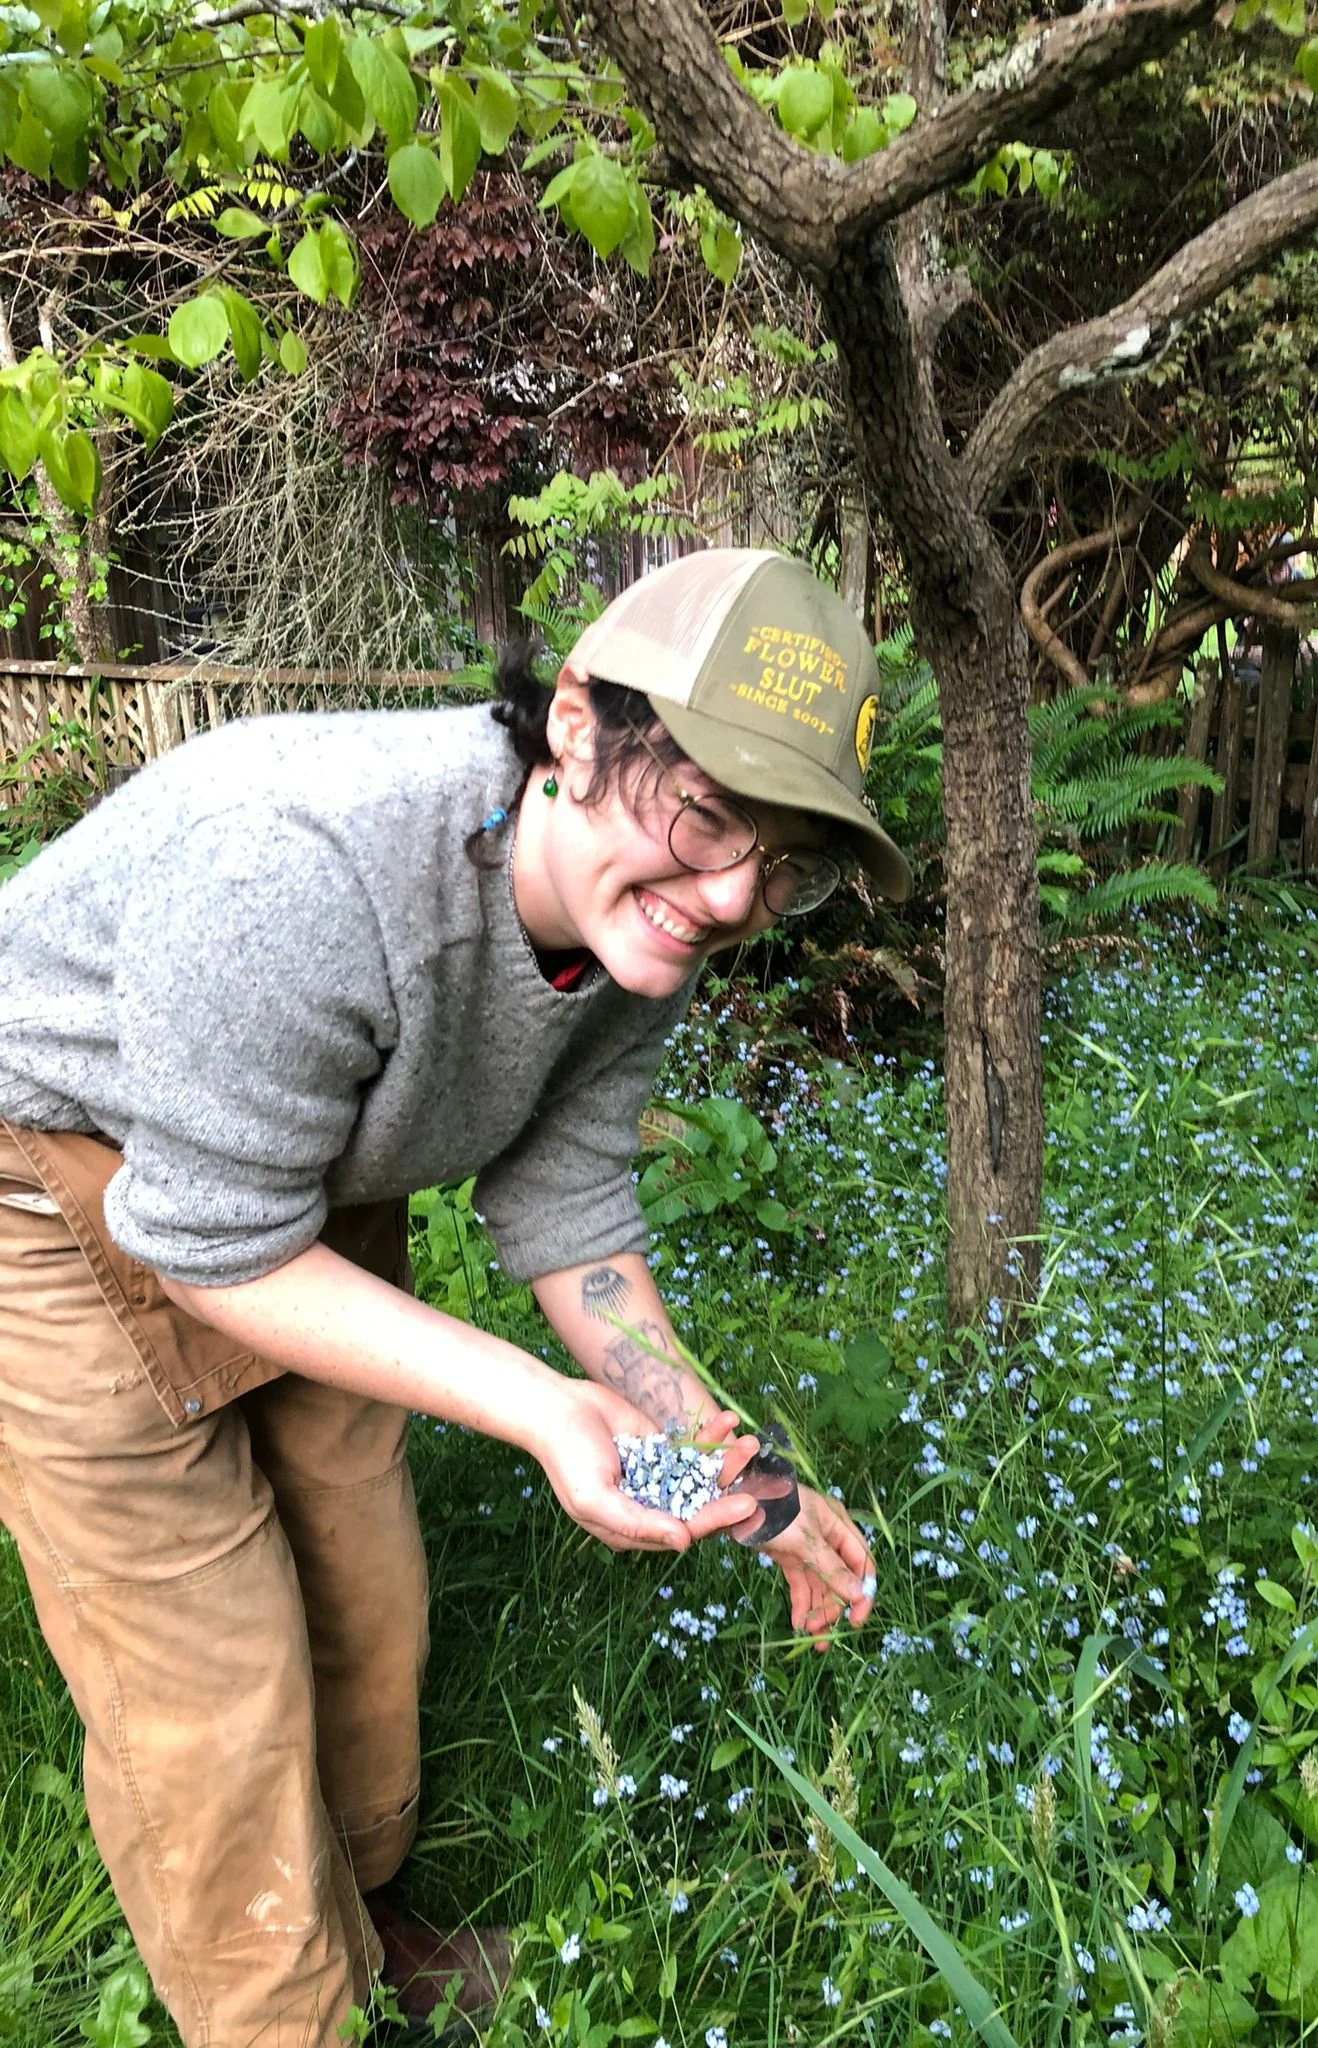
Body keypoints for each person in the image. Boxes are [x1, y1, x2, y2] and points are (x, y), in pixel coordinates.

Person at [0, 548, 911, 2047]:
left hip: (307, 1160)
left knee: (370, 1592)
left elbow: (566, 1199)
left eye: (786, 862)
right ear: (574, 725)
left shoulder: (644, 927)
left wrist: (729, 1462)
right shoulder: (300, 867)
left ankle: (361, 1932)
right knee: (208, 1677)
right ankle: (285, 2018)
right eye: (704, 814)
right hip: (54, 1182)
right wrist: (544, 1411)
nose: (735, 893)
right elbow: (206, 1239)